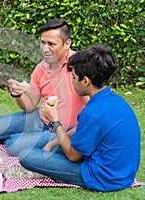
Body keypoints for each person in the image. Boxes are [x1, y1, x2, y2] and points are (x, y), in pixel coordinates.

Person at [18, 45, 141, 192]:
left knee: (26, 155)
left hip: (103, 178)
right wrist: (52, 143)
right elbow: (82, 130)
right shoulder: (115, 101)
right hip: (123, 173)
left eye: (74, 78)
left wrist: (55, 121)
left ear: (86, 81)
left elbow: (73, 156)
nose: (73, 82)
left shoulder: (92, 113)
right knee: (69, 132)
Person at [0, 18, 88, 156]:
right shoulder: (41, 68)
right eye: (43, 42)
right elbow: (30, 105)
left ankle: (31, 140)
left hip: (63, 128)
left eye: (51, 44)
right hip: (41, 118)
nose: (45, 49)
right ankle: (32, 138)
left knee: (12, 145)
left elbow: (95, 109)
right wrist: (18, 94)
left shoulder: (80, 65)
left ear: (67, 43)